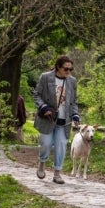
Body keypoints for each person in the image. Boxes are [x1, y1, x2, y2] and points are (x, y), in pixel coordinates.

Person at [32, 55, 80, 184]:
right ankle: (42, 163)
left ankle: (57, 173)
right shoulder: (46, 77)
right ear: (58, 67)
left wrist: (75, 114)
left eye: (71, 69)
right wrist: (43, 107)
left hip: (64, 121)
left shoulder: (72, 81)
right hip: (48, 118)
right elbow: (36, 94)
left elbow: (74, 101)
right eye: (66, 69)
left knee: (61, 146)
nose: (68, 72)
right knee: (46, 143)